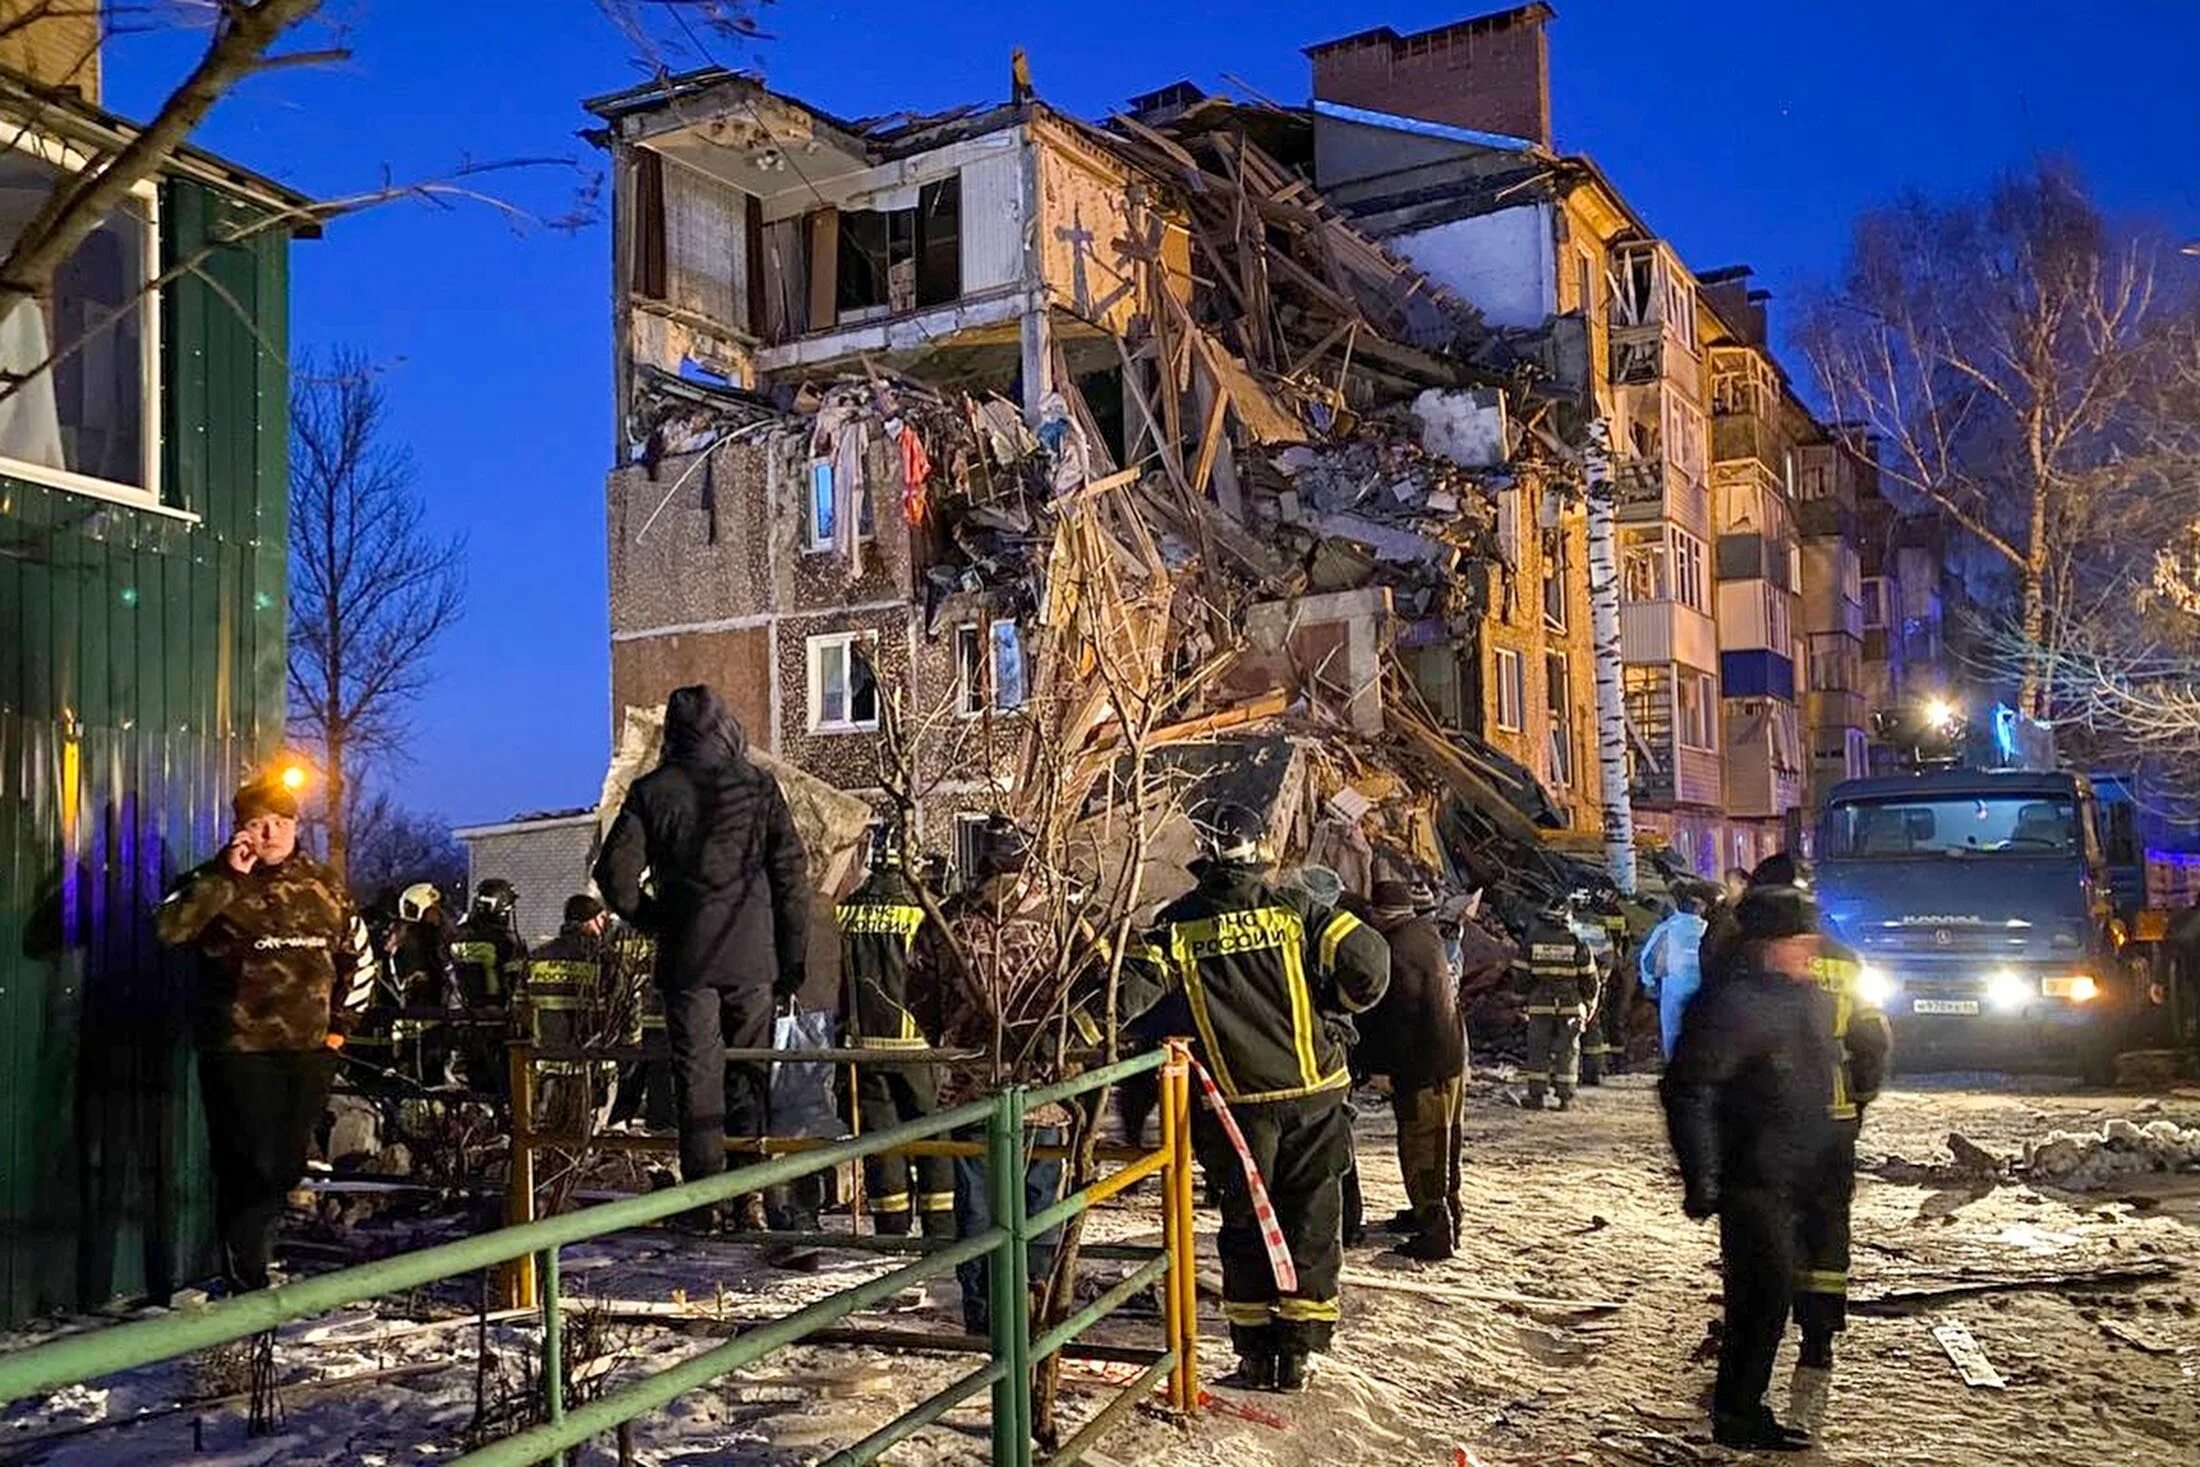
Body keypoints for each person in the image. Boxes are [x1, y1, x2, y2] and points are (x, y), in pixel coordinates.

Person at [1128, 804, 1390, 1392]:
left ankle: (1253, 1354)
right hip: (1315, 1098)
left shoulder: (1177, 924)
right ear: (1262, 854)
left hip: (1236, 1107)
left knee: (1246, 1225)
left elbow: (1129, 995)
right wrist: (1336, 1009)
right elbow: (1370, 962)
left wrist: (1063, 1036)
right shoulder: (1298, 911)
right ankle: (1298, 1356)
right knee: (1311, 1219)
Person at [595, 684, 810, 1217]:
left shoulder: (651, 791)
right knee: (749, 1074)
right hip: (753, 954)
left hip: (687, 959)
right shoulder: (757, 788)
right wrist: (792, 956)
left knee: (697, 1077)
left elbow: (613, 877)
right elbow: (790, 877)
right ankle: (748, 1197)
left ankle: (704, 1201)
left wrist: (659, 921)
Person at [155, 773, 368, 1291]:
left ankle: (256, 1253)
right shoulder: (212, 882)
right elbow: (168, 929)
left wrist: (338, 1032)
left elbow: (357, 959)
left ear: (296, 826)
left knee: (288, 1161)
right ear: (239, 830)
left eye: (279, 822)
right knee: (247, 1159)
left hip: (308, 1050)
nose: (269, 833)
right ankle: (246, 1273)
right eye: (256, 823)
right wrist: (227, 877)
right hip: (238, 1050)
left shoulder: (325, 887)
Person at [1659, 884, 1841, 1452]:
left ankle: (1743, 1405)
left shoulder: (1799, 995)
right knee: (1758, 1301)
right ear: (1769, 944)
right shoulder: (1733, 1004)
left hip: (1795, 1174)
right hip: (1752, 1175)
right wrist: (1703, 1176)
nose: (1811, 946)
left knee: (1775, 1295)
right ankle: (1738, 1414)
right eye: (1800, 938)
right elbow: (1688, 1090)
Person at [838, 824, 956, 1237]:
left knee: (881, 1138)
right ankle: (939, 1225)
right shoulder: (923, 910)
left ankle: (891, 1225)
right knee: (931, 1133)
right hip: (916, 1043)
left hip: (864, 1043)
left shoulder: (848, 909)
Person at [1356, 881, 1464, 1262]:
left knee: (1423, 1150)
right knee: (1446, 1145)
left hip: (1423, 1068)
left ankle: (1435, 1233)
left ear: (1380, 913)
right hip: (1450, 1058)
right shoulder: (1424, 934)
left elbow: (1396, 1020)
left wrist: (1381, 1069)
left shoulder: (1394, 951)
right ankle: (1441, 1213)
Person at [523, 894, 617, 1135]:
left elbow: (520, 1006)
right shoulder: (604, 958)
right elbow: (620, 1006)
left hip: (547, 1060)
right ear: (590, 921)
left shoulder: (537, 956)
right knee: (587, 1133)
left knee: (547, 1132)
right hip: (592, 1062)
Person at [1512, 895, 1598, 1111]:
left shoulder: (1532, 939)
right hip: (1571, 1005)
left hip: (1540, 1004)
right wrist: (1588, 1001)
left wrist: (1525, 994)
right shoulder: (1578, 940)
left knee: (1537, 1050)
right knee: (1568, 1051)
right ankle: (1565, 1098)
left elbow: (1521, 975)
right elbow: (1589, 977)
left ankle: (1537, 1097)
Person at [452, 878, 529, 1096]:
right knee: (502, 1089)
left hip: (463, 1019)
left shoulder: (460, 935)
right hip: (497, 1023)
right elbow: (517, 983)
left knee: (473, 1086)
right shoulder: (506, 942)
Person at [1639, 895, 1709, 1058]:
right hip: (1702, 986)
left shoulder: (1668, 927)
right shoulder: (1706, 928)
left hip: (1675, 985)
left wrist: (1648, 981)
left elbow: (1649, 956)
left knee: (1672, 1029)